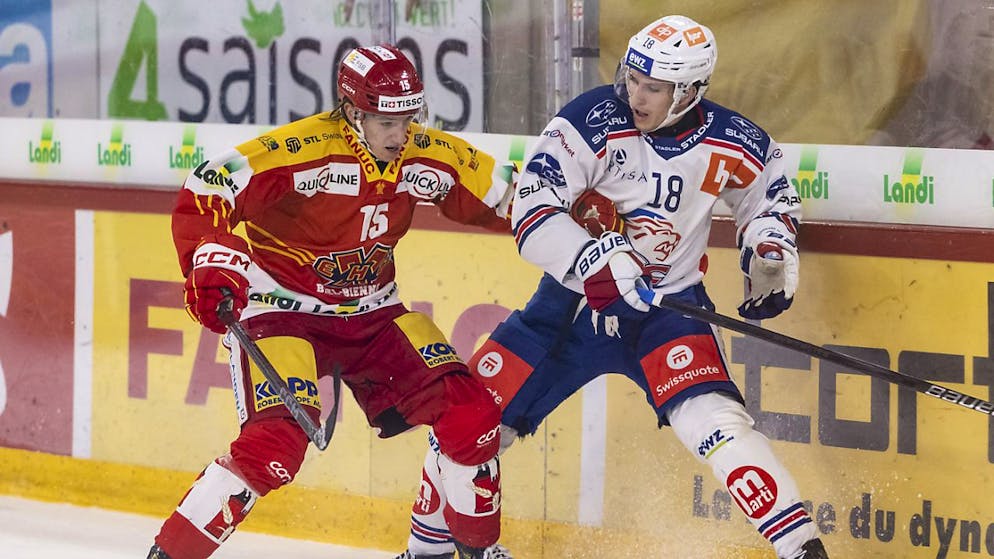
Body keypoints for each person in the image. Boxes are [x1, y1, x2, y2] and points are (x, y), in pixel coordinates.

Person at [397, 15, 828, 559]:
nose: (636, 94)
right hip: (565, 310)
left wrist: (768, 247)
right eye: (633, 78)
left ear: (691, 91)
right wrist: (591, 258)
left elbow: (769, 196)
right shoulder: (590, 119)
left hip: (667, 309)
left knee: (719, 426)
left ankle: (801, 548)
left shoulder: (733, 138)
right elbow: (532, 207)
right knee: (470, 421)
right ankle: (426, 552)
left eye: (655, 87)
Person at [148, 44, 515, 559]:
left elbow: (509, 195)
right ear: (352, 111)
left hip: (375, 314)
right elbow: (211, 184)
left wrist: (582, 218)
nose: (400, 133)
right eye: (385, 120)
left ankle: (479, 552)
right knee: (275, 445)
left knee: (471, 416)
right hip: (282, 313)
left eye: (408, 117)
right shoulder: (305, 148)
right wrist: (211, 263)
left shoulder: (423, 153)